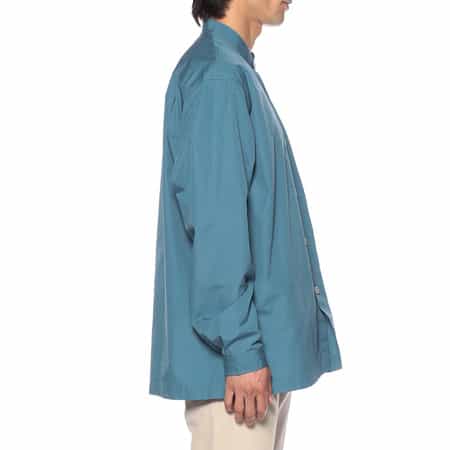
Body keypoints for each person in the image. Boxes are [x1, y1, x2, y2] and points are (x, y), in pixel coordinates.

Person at [149, 1, 343, 449]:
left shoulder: (233, 71)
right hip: (237, 375)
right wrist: (242, 350)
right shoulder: (219, 78)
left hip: (254, 364)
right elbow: (217, 227)